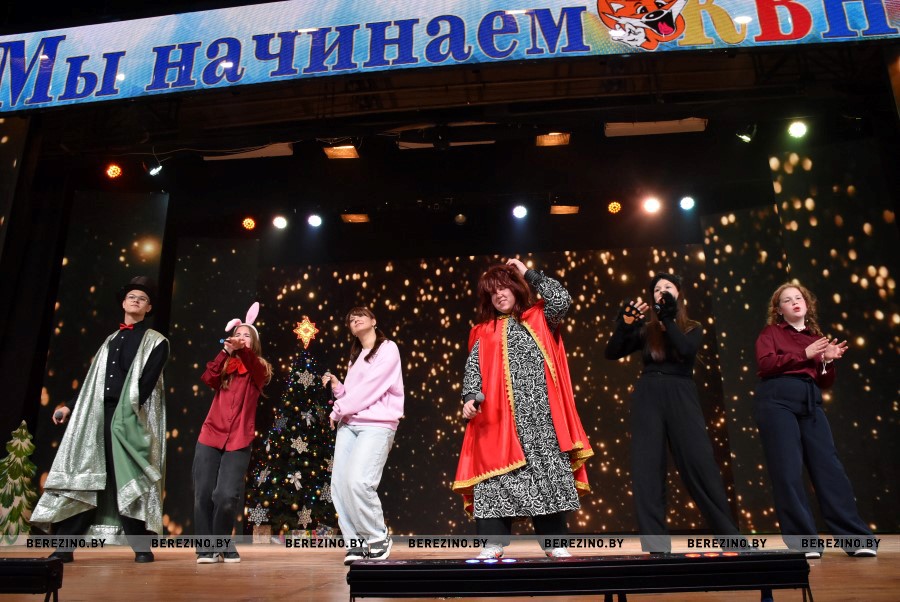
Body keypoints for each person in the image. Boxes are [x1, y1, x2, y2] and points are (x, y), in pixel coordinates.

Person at [452, 259, 593, 559]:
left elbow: (561, 298)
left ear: (516, 289)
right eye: (493, 292)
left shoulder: (539, 317)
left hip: (541, 419)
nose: (499, 295)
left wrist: (529, 272)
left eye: (504, 288)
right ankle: (492, 544)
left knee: (546, 477)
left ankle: (554, 544)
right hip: (497, 421)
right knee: (494, 481)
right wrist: (469, 399)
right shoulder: (482, 331)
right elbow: (473, 371)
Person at [32, 276, 169, 563]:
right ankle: (64, 548)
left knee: (125, 478)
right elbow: (92, 382)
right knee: (89, 479)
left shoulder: (156, 341)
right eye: (131, 297)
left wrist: (128, 416)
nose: (136, 301)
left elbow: (146, 385)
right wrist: (70, 407)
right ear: (123, 303)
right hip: (96, 415)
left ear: (148, 308)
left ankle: (141, 547)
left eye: (142, 299)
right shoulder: (110, 341)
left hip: (127, 417)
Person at [604, 272, 739, 553]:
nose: (661, 291)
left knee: (700, 464)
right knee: (647, 469)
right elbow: (612, 352)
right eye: (656, 289)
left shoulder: (692, 327)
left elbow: (686, 350)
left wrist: (668, 319)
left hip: (681, 392)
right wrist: (624, 325)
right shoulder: (646, 329)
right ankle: (657, 546)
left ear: (679, 293)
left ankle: (731, 539)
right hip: (648, 394)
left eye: (668, 287)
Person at [754, 282, 876, 558]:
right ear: (779, 310)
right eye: (787, 300)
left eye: (798, 297)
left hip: (810, 402)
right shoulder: (771, 332)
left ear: (807, 304)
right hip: (776, 401)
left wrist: (827, 362)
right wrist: (805, 355)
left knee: (830, 469)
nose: (795, 302)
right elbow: (766, 364)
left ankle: (855, 539)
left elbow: (825, 382)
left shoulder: (816, 337)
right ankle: (804, 543)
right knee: (787, 471)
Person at [322, 307, 404, 565]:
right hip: (350, 425)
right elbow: (353, 395)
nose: (354, 319)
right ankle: (355, 543)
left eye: (360, 315)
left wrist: (337, 410)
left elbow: (370, 389)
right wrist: (338, 388)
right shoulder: (356, 358)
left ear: (373, 320)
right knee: (339, 486)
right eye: (350, 318)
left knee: (359, 481)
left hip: (376, 425)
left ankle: (377, 536)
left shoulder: (388, 349)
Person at [193, 302, 272, 564]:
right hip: (210, 435)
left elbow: (255, 368)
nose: (241, 338)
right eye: (237, 334)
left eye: (246, 335)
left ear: (254, 342)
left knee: (226, 496)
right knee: (203, 494)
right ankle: (207, 548)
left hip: (239, 439)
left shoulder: (259, 367)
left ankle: (223, 543)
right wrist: (225, 351)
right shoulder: (225, 365)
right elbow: (208, 378)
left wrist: (242, 350)